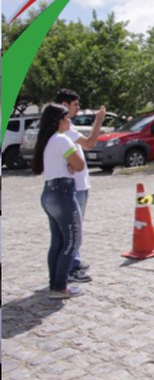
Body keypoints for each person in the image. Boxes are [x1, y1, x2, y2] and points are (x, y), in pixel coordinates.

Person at [32, 104, 87, 299]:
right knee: (73, 240)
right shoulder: (62, 139)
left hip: (49, 193)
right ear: (59, 121)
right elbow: (79, 164)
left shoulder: (46, 141)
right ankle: (60, 286)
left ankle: (54, 283)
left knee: (57, 241)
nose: (70, 121)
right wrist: (72, 166)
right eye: (67, 118)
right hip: (63, 192)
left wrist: (70, 166)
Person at [54, 88, 106, 283]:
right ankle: (72, 267)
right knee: (73, 230)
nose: (78, 108)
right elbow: (90, 143)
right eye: (76, 105)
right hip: (73, 186)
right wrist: (99, 120)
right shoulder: (66, 127)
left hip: (78, 183)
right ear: (65, 105)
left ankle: (74, 260)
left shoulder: (66, 126)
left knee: (73, 228)